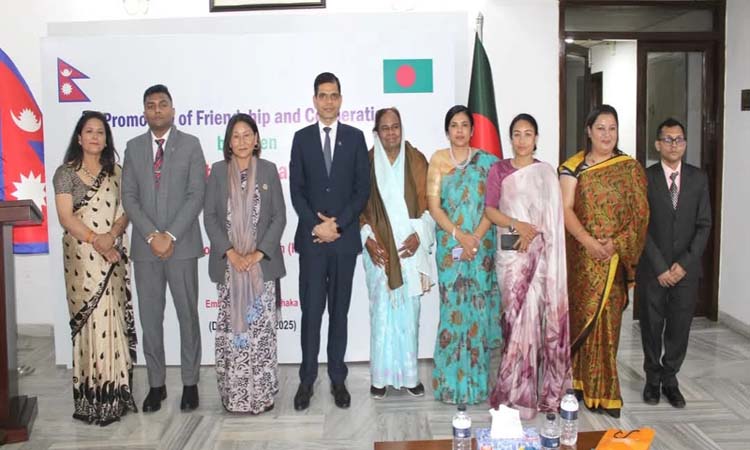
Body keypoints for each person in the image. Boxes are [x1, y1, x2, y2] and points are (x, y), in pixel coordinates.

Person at [559, 104, 649, 418]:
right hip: (582, 259)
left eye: (612, 128)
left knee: (608, 327)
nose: (607, 135)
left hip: (613, 260)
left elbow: (640, 215)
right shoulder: (573, 167)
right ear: (589, 131)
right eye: (600, 128)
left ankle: (606, 393)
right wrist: (587, 241)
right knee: (581, 320)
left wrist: (615, 244)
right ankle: (577, 384)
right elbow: (565, 208)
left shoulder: (629, 168)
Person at [121, 84, 206, 412]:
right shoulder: (133, 147)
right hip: (145, 250)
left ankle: (190, 383)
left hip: (181, 246)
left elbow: (196, 194)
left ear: (172, 109)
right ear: (144, 111)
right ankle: (156, 385)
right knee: (150, 319)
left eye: (162, 104)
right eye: (150, 105)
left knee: (187, 316)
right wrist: (151, 235)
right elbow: (129, 197)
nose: (156, 110)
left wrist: (169, 235)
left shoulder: (191, 144)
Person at [289, 72, 370, 410]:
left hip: (343, 240)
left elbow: (362, 190)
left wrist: (337, 224)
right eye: (322, 95)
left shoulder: (355, 137)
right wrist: (316, 226)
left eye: (333, 95)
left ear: (341, 99)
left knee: (339, 312)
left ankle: (338, 377)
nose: (328, 101)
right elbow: (297, 190)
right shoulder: (301, 138)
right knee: (311, 313)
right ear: (314, 100)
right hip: (312, 242)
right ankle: (307, 380)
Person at [53, 110, 137, 425]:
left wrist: (111, 236)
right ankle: (93, 398)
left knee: (114, 319)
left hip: (113, 256)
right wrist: (96, 240)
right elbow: (66, 217)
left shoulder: (117, 172)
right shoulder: (65, 173)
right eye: (89, 131)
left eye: (100, 132)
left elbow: (126, 210)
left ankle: (117, 394)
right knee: (90, 323)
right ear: (79, 137)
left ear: (106, 139)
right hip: (83, 258)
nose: (95, 137)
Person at [485, 114, 570, 420]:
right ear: (511, 139)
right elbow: (490, 210)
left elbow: (554, 221)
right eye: (517, 134)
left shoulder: (546, 173)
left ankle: (530, 393)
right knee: (514, 321)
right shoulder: (499, 170)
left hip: (540, 261)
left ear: (536, 139)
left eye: (528, 134)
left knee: (535, 322)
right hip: (511, 260)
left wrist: (534, 236)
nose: (522, 140)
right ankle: (512, 392)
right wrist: (517, 225)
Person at [204, 113, 286, 413]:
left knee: (261, 333)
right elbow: (210, 218)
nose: (241, 141)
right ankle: (235, 396)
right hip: (230, 267)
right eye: (235, 136)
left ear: (256, 139)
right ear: (228, 142)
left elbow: (279, 217)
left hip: (260, 268)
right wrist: (232, 253)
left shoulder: (268, 170)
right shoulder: (217, 172)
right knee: (233, 335)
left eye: (247, 135)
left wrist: (256, 255)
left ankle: (262, 395)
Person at [427, 104, 501, 405]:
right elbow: (434, 207)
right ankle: (449, 385)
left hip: (480, 249)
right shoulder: (438, 160)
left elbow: (493, 206)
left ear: (472, 130)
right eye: (454, 125)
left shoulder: (489, 163)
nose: (459, 130)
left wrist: (476, 238)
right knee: (452, 312)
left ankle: (477, 386)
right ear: (447, 131)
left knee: (478, 314)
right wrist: (460, 236)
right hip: (451, 249)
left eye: (464, 125)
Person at [360, 107, 434, 399]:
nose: (391, 133)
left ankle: (410, 377)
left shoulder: (416, 160)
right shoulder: (365, 162)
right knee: (381, 314)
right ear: (376, 132)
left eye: (395, 127)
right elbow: (358, 208)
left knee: (408, 315)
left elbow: (430, 204)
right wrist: (367, 239)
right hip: (379, 251)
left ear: (401, 129)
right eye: (385, 128)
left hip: (408, 250)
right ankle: (379, 378)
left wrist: (420, 235)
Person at [637, 118, 711, 409]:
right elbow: (641, 226)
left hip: (686, 271)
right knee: (651, 326)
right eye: (667, 139)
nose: (673, 145)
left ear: (685, 144)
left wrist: (684, 264)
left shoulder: (698, 178)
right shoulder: (646, 177)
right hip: (653, 269)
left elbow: (704, 225)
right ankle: (652, 379)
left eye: (679, 139)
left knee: (679, 327)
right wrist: (660, 266)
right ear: (657, 144)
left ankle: (670, 379)